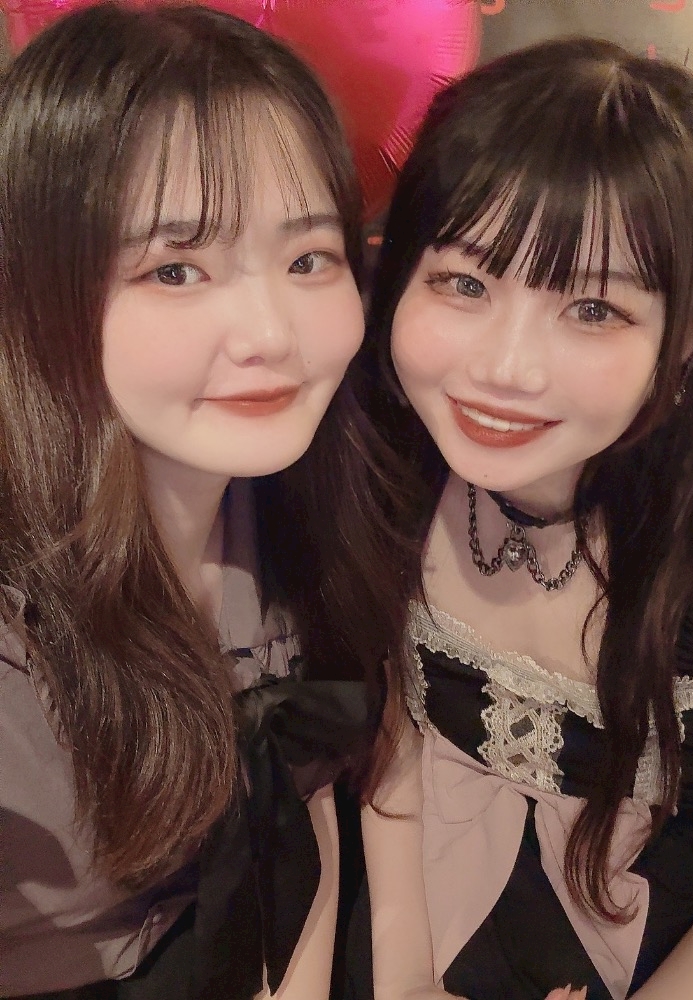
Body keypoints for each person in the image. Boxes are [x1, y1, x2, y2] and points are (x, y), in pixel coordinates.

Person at [0, 4, 395, 997]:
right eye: (176, 269)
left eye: (308, 259)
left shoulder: (302, 506)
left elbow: (298, 816)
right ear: (35, 289)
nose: (271, 333)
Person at [344, 36, 693, 1000]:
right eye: (465, 283)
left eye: (594, 310)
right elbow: (389, 755)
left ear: (691, 330)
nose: (505, 370)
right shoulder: (382, 458)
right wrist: (403, 981)